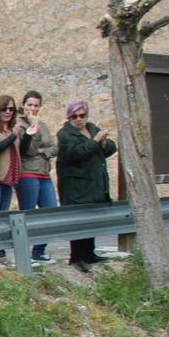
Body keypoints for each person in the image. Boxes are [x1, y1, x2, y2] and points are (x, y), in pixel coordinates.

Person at [56, 100, 117, 273]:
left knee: (91, 219)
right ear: (69, 118)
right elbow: (74, 154)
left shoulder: (92, 128)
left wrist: (104, 143)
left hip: (94, 184)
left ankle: (89, 253)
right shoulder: (65, 134)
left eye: (82, 115)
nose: (78, 119)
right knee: (78, 220)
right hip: (76, 185)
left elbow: (111, 148)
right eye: (74, 116)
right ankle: (77, 257)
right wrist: (96, 141)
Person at [15, 91, 59, 264]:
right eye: (30, 105)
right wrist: (33, 131)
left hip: (44, 173)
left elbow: (55, 148)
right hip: (27, 173)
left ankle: (39, 251)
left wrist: (44, 152)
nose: (33, 109)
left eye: (36, 105)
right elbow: (29, 150)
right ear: (24, 105)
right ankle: (24, 253)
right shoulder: (19, 125)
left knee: (50, 210)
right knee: (28, 214)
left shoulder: (43, 125)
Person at [0, 94, 25, 261]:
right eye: (4, 109)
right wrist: (13, 136)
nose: (8, 112)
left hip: (10, 177)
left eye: (11, 109)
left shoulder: (12, 128)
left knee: (3, 214)